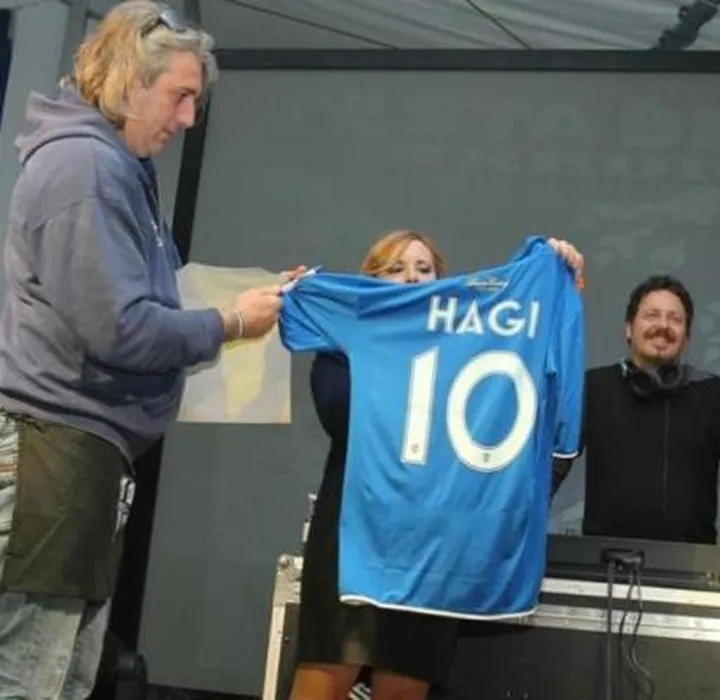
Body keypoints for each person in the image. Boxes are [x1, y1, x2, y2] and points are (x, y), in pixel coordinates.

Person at [0, 3, 288, 697]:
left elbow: (140, 305)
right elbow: (122, 329)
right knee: (31, 679)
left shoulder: (113, 167)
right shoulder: (86, 168)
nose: (187, 118)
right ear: (130, 83)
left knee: (62, 678)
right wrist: (230, 321)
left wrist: (249, 303)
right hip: (54, 457)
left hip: (81, 460)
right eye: (180, 96)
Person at [289, 229, 584, 700]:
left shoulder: (469, 350)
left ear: (442, 286)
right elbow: (342, 415)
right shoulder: (343, 343)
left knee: (402, 690)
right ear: (369, 283)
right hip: (354, 540)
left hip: (430, 551)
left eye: (424, 270)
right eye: (395, 269)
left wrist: (551, 281)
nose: (411, 278)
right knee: (323, 686)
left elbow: (520, 392)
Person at [552, 274, 720, 549]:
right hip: (605, 565)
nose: (663, 326)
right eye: (651, 315)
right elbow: (551, 467)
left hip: (692, 569)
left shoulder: (715, 394)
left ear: (686, 337)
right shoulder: (592, 388)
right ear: (629, 329)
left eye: (675, 319)